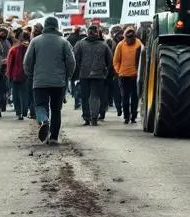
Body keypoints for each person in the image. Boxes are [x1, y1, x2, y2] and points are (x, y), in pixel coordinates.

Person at [23, 16, 75, 145]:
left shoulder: (35, 41)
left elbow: (27, 62)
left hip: (39, 80)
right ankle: (54, 137)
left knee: (40, 106)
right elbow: (71, 62)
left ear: (45, 26)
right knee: (56, 109)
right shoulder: (64, 42)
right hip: (59, 81)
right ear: (57, 26)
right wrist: (67, 76)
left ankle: (44, 120)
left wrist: (31, 75)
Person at [73, 24, 112, 126]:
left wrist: (80, 67)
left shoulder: (80, 44)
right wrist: (105, 69)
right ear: (97, 33)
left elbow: (75, 58)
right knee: (96, 96)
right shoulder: (103, 45)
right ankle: (94, 117)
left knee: (85, 96)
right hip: (99, 74)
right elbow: (109, 60)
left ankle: (86, 117)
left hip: (84, 74)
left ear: (87, 33)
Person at [113, 27, 144, 124]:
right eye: (128, 37)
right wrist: (119, 71)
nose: (130, 39)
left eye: (131, 37)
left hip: (135, 76)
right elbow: (116, 60)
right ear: (125, 36)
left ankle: (133, 116)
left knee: (134, 97)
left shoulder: (139, 44)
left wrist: (140, 72)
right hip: (123, 76)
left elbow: (142, 59)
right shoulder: (120, 45)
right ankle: (126, 116)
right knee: (125, 97)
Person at [6, 30, 31, 120]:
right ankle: (24, 111)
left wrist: (9, 75)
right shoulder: (29, 48)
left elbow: (10, 63)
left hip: (15, 75)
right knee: (25, 94)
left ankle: (19, 113)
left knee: (16, 95)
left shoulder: (13, 49)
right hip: (26, 74)